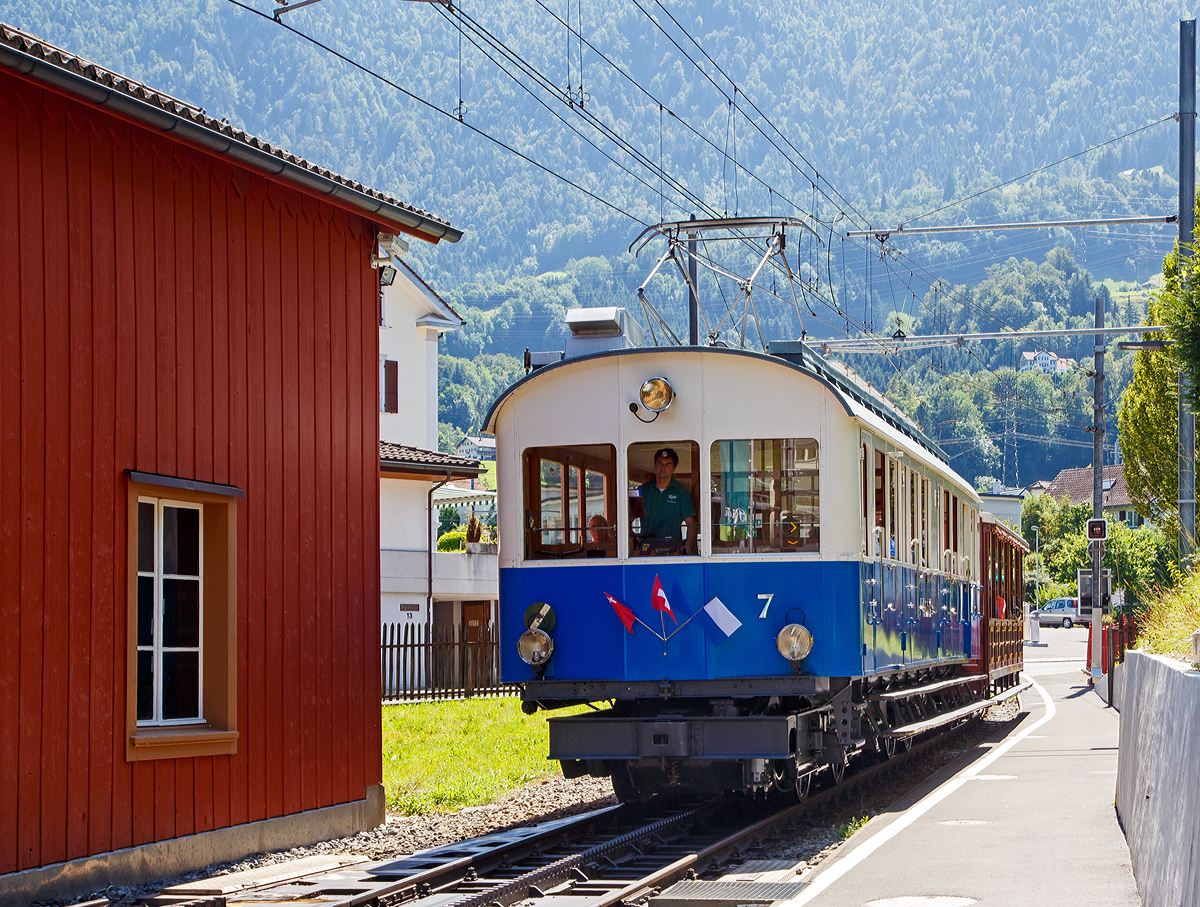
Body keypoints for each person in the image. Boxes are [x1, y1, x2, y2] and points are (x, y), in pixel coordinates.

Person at [636, 447, 697, 554]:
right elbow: (627, 519)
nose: (663, 467)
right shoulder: (642, 490)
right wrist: (633, 539)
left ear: (674, 468)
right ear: (654, 466)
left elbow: (690, 523)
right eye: (660, 463)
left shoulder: (681, 492)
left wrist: (687, 545)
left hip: (673, 552)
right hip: (646, 552)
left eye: (667, 464)